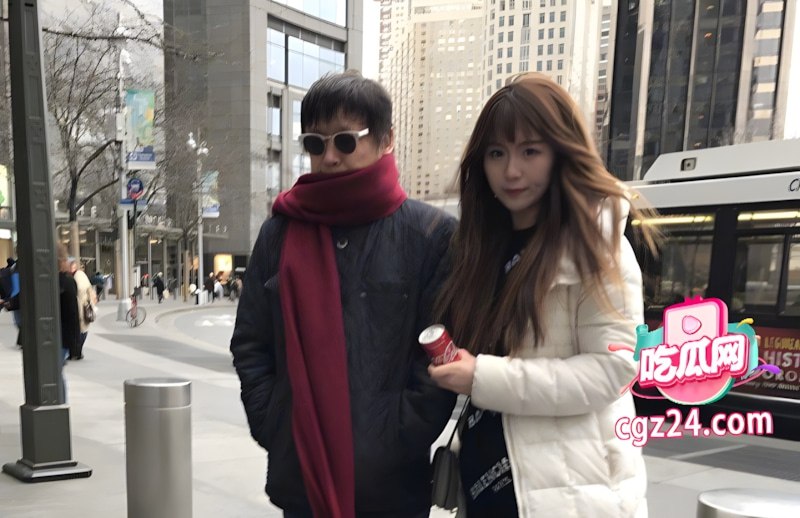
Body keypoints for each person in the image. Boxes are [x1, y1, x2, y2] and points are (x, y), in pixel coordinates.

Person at [230, 70, 456, 518]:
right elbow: (251, 342)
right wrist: (276, 423)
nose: (329, 157)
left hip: (392, 489)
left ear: (386, 139)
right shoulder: (279, 233)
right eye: (315, 144)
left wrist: (394, 438)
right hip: (302, 478)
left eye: (346, 141)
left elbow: (438, 359)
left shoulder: (431, 235)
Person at [428, 73, 655, 517]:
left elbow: (613, 370)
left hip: (571, 495)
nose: (511, 171)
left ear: (560, 152)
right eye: (497, 153)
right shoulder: (481, 248)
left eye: (530, 151)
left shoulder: (596, 242)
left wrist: (481, 377)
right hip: (493, 490)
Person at [69, 258, 96, 360]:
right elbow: (89, 288)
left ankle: (77, 350)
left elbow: (81, 289)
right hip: (83, 305)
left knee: (81, 328)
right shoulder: (80, 275)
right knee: (83, 327)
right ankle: (77, 350)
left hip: (81, 305)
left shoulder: (77, 276)